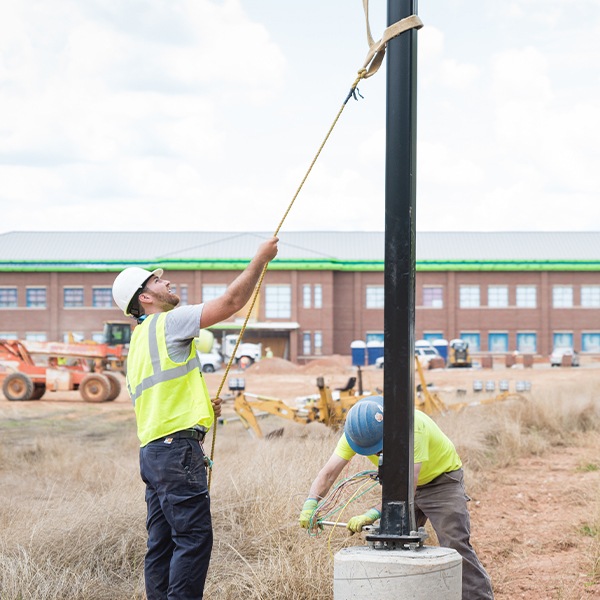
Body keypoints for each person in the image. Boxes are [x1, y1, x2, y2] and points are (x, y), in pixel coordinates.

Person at [112, 237, 278, 600]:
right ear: (145, 297)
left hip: (153, 454)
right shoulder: (168, 322)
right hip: (176, 453)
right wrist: (260, 260)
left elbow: (161, 396)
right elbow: (231, 303)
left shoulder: (138, 342)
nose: (167, 282)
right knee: (193, 537)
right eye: (158, 281)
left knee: (162, 543)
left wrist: (204, 408)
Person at [299, 396, 494, 600]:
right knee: (393, 543)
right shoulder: (357, 434)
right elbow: (329, 473)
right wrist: (311, 503)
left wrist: (372, 514)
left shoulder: (413, 429)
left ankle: (479, 597)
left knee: (455, 545)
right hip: (402, 484)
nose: (378, 453)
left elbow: (408, 486)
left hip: (440, 482)